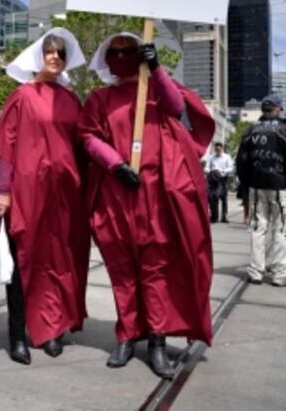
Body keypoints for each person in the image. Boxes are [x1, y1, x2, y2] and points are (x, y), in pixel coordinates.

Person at [79, 33, 214, 378]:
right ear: (107, 59)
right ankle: (127, 336)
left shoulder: (153, 92)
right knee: (122, 269)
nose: (123, 56)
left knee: (156, 269)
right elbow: (87, 135)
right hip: (116, 193)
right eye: (116, 51)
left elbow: (176, 106)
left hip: (157, 195)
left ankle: (156, 339)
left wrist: (156, 68)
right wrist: (115, 164)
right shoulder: (99, 98)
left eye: (130, 51)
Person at [0, 30, 90, 365]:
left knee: (59, 261)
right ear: (39, 55)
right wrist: (4, 191)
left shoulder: (71, 99)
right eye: (49, 52)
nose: (54, 58)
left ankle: (53, 329)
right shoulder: (21, 96)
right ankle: (18, 334)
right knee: (24, 263)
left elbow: (84, 145)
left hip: (65, 194)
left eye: (61, 53)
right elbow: (6, 147)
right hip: (27, 192)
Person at [236, 94, 286, 286]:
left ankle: (256, 271)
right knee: (282, 228)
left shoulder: (250, 130)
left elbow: (241, 162)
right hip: (280, 185)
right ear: (278, 109)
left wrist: (247, 185)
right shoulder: (285, 130)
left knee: (258, 228)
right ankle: (280, 274)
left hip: (256, 185)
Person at [205, 142, 234, 223]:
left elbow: (230, 168)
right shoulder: (211, 157)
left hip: (222, 179)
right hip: (213, 179)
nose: (217, 151)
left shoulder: (227, 157)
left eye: (219, 149)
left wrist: (223, 171)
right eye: (216, 149)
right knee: (212, 196)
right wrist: (207, 170)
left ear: (222, 148)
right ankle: (215, 216)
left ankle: (224, 216)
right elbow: (207, 166)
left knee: (223, 198)